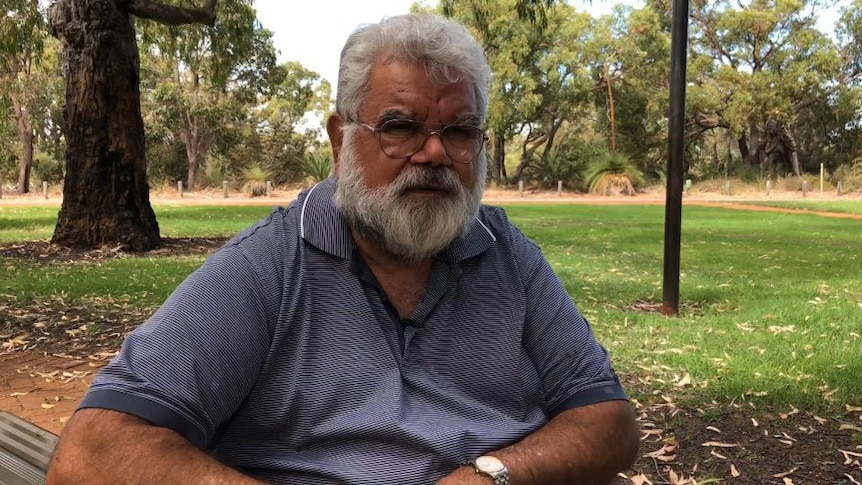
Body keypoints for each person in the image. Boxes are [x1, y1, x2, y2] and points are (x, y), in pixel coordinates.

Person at [47, 13, 639, 485]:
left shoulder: (505, 252)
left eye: (459, 131)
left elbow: (610, 423)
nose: (435, 154)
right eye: (401, 126)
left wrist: (490, 476)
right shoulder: (271, 264)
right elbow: (95, 452)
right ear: (341, 139)